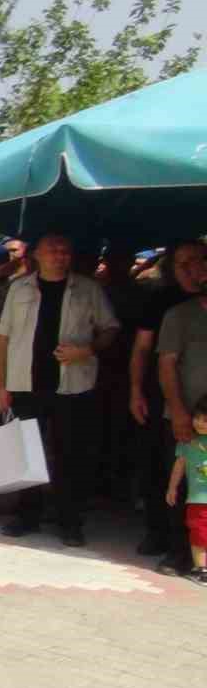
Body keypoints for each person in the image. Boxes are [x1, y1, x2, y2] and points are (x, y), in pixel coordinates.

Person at [0, 234, 119, 545]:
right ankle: (27, 515)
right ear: (36, 254)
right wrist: (2, 384)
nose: (59, 256)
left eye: (65, 251)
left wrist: (87, 350)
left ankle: (69, 520)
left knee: (70, 455)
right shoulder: (19, 288)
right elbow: (3, 338)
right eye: (52, 251)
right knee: (27, 451)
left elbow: (111, 328)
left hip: (72, 385)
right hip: (26, 382)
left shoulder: (88, 288)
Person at [132, 241, 205, 573]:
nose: (193, 269)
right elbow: (149, 354)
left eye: (199, 261)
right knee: (171, 476)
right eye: (183, 263)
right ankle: (168, 542)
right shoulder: (166, 305)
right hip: (173, 403)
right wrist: (136, 391)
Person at [166, 395, 207, 585]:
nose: (200, 423)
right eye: (197, 418)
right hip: (197, 499)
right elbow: (179, 465)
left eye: (206, 420)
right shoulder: (187, 441)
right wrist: (172, 488)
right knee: (198, 534)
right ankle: (201, 569)